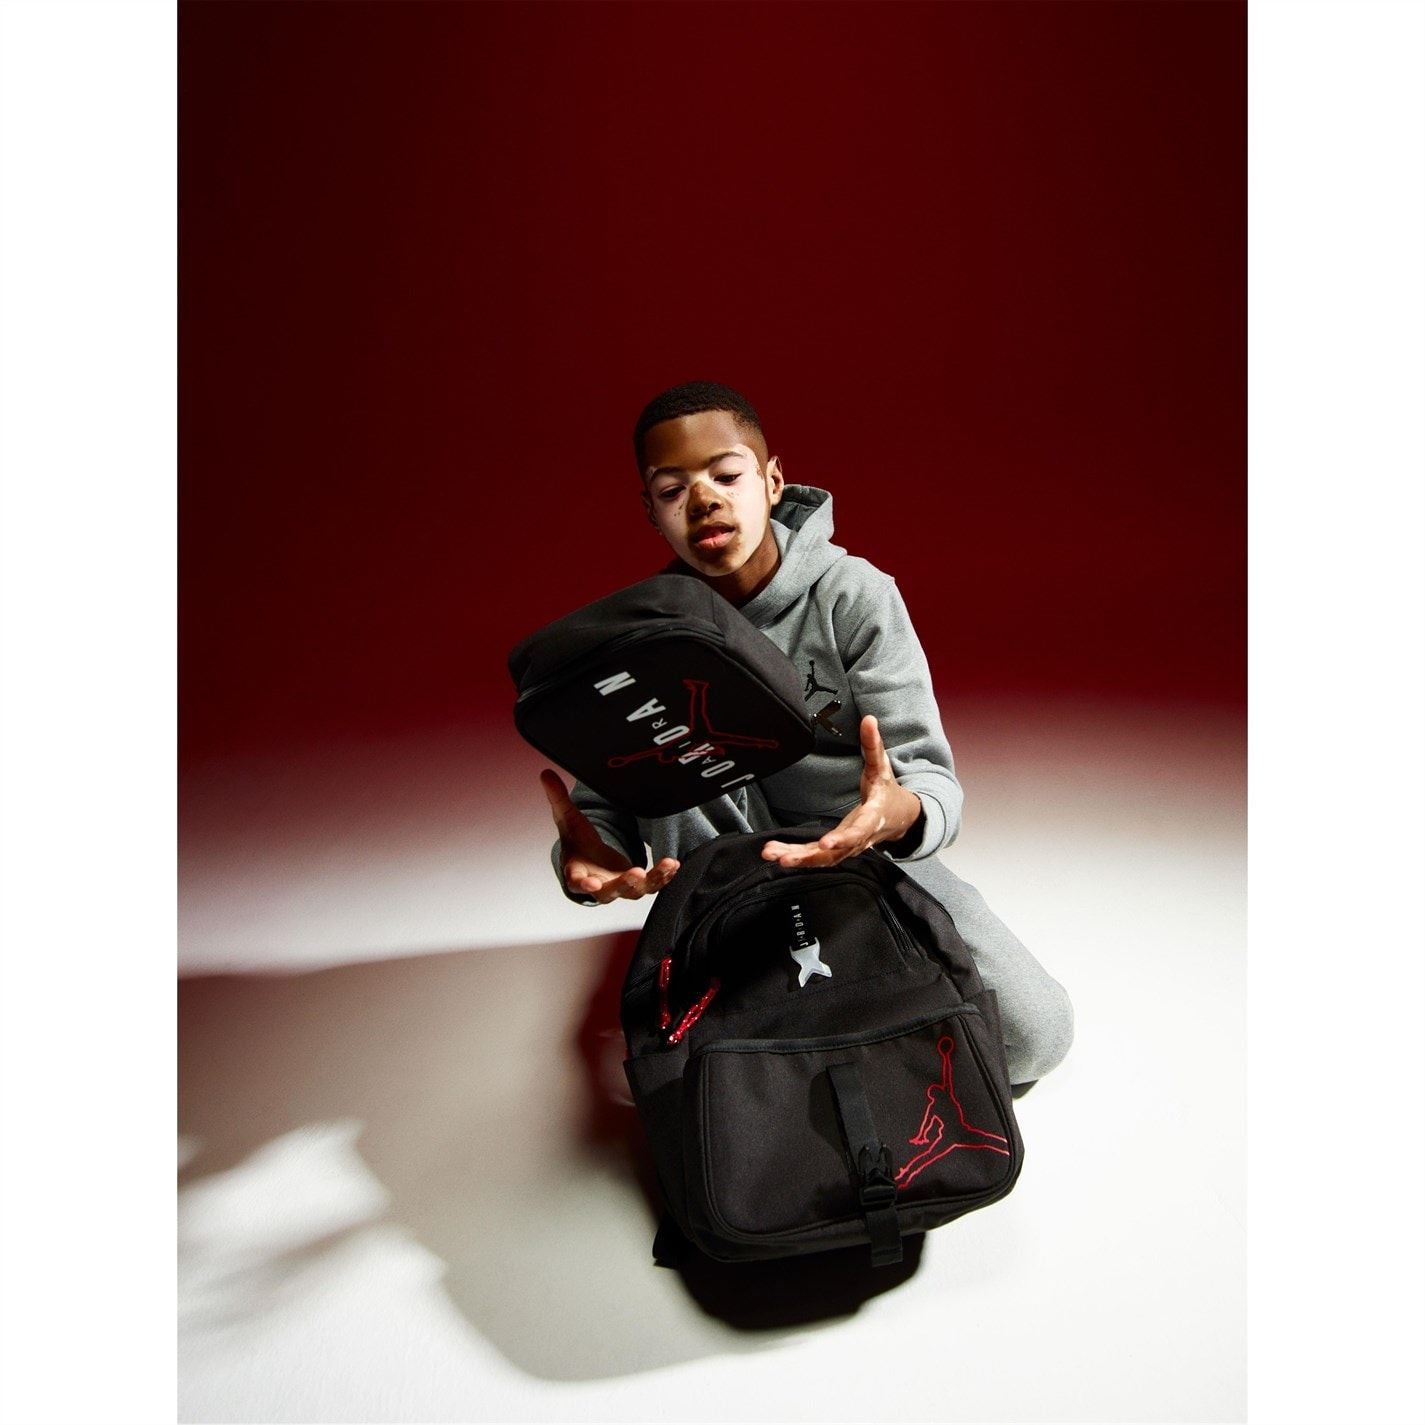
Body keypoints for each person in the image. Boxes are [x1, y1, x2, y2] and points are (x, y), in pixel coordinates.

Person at [539, 380, 1074, 1092]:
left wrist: (899, 812)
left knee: (1035, 1036)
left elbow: (928, 777)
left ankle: (817, 1023)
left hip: (860, 856)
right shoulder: (645, 638)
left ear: (772, 481)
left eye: (726, 476)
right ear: (652, 512)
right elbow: (605, 805)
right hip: (721, 885)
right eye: (673, 489)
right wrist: (586, 856)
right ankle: (773, 1014)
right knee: (689, 1089)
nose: (703, 500)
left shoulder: (854, 595)